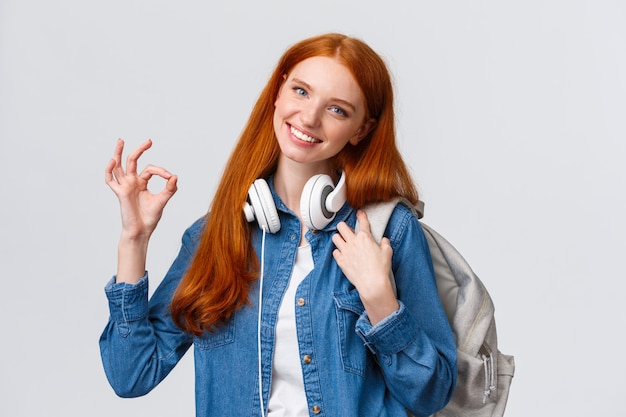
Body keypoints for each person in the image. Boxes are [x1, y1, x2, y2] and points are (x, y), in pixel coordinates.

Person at [100, 33, 457, 417]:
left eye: (337, 110)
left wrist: (379, 299)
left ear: (361, 130)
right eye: (301, 92)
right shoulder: (216, 235)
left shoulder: (389, 231)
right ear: (278, 92)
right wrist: (133, 241)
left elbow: (431, 394)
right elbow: (132, 375)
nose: (309, 117)